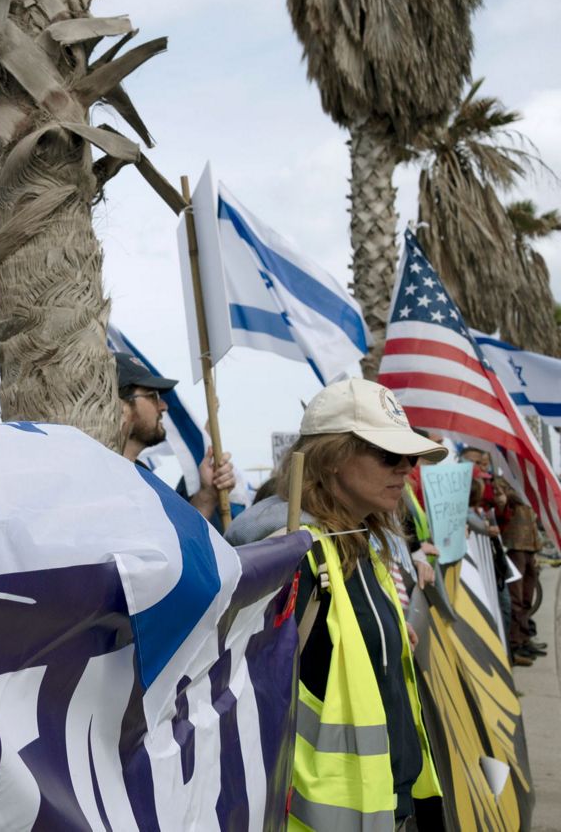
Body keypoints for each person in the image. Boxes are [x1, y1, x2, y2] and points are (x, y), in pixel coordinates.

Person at [227, 378, 445, 827]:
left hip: (387, 800)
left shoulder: (357, 539)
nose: (407, 468)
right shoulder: (291, 552)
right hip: (326, 814)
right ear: (333, 459)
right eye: (390, 455)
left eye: (411, 457)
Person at [115, 353, 236, 525]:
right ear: (121, 405)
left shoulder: (141, 476)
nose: (163, 406)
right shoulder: (103, 481)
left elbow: (177, 537)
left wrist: (208, 495)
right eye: (152, 396)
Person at [494, 478, 546, 665]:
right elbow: (503, 505)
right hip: (514, 547)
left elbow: (532, 523)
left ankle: (524, 638)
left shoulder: (524, 485)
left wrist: (536, 549)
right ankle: (515, 643)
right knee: (516, 599)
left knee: (526, 599)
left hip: (529, 548)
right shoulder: (506, 483)